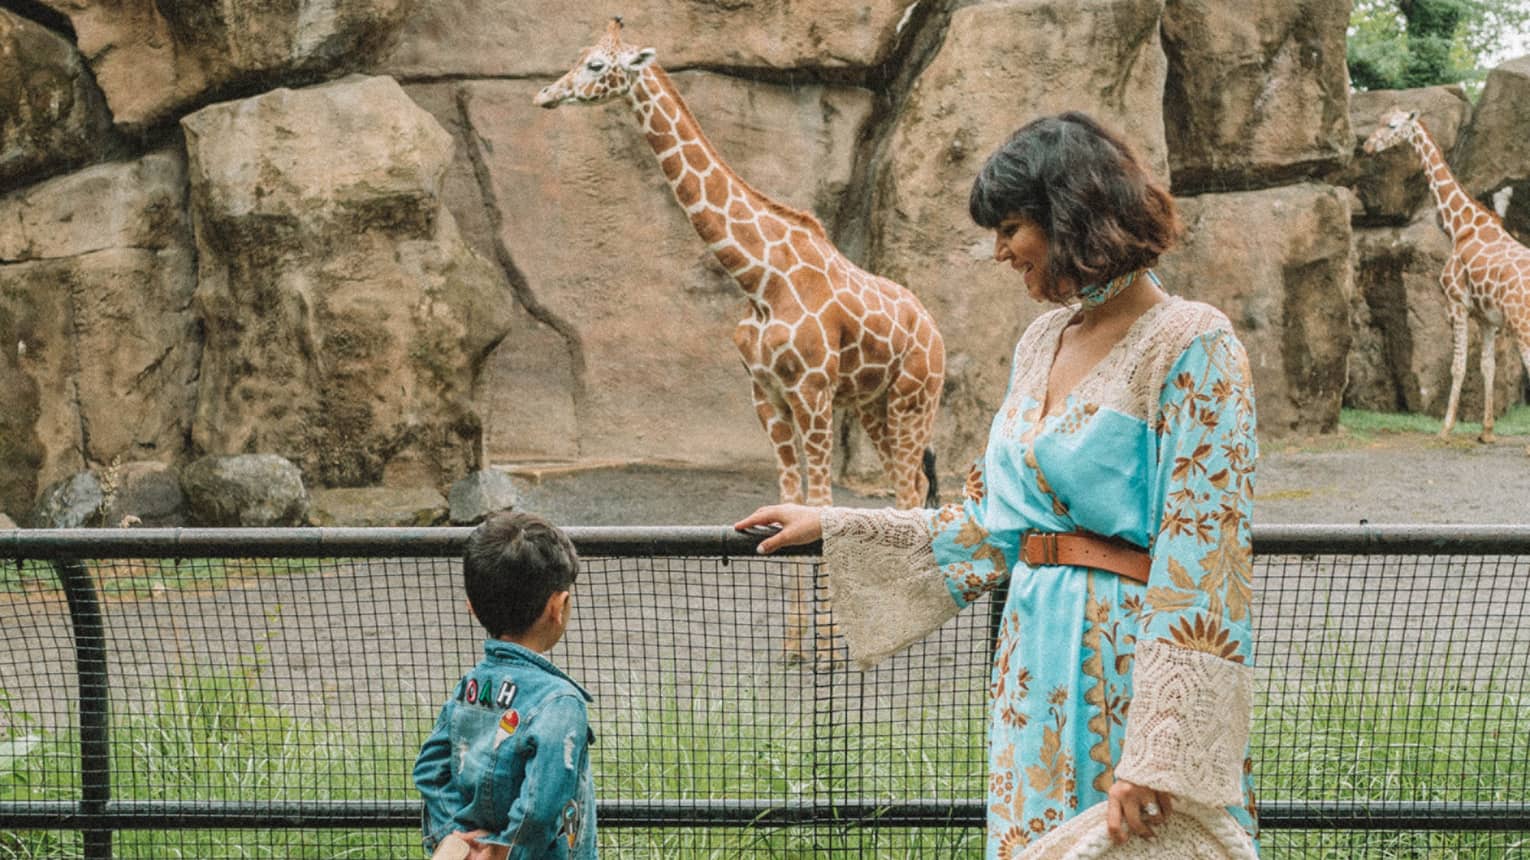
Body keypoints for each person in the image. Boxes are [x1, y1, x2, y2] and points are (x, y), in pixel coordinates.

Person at [735, 111, 1259, 857]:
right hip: (1030, 657)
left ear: (1073, 215)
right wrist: (837, 523)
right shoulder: (1040, 340)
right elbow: (994, 526)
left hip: (1127, 670)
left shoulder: (1191, 344)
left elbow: (1206, 559)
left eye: (1012, 226)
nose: (1000, 250)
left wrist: (1160, 753)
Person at [414, 511, 597, 860]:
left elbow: (429, 770)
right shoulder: (561, 703)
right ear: (558, 607)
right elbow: (540, 806)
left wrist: (458, 839)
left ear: (472, 607)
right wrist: (501, 852)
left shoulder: (468, 687)